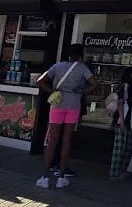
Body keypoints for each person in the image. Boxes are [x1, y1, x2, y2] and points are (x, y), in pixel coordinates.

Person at [35, 43, 96, 190]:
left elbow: (39, 80)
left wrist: (51, 90)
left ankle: (44, 177)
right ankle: (61, 177)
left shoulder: (57, 66)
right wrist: (82, 90)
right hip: (73, 106)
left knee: (52, 140)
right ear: (81, 54)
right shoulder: (83, 68)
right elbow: (94, 84)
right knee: (66, 141)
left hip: (57, 105)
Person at [109, 67, 132, 180]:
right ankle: (115, 173)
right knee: (120, 147)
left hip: (125, 119)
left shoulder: (129, 87)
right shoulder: (125, 86)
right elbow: (120, 103)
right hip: (122, 119)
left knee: (128, 144)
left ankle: (120, 170)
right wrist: (121, 120)